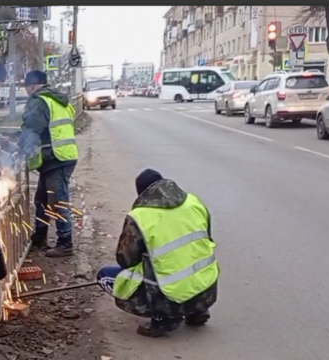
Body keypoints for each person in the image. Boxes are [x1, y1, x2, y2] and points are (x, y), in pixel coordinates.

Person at [96, 169, 219, 338]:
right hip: (206, 287)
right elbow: (206, 238)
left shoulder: (140, 216)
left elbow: (126, 260)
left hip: (170, 292)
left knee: (105, 275)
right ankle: (196, 309)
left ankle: (164, 317)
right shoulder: (194, 202)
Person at [18, 70, 79, 258]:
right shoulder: (58, 100)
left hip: (56, 159)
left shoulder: (40, 100)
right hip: (61, 156)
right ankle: (40, 235)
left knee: (58, 201)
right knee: (42, 200)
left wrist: (18, 155)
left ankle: (65, 242)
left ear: (33, 85)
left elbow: (31, 129)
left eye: (27, 88)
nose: (27, 92)